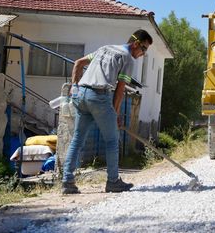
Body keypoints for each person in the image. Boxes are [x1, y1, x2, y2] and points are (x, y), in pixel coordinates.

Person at [61, 29, 152, 194]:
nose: (143, 54)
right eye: (144, 49)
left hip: (81, 95)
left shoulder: (104, 48)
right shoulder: (128, 59)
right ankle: (113, 182)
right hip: (99, 97)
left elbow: (78, 63)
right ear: (136, 44)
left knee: (77, 140)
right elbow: (120, 89)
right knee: (111, 140)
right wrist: (115, 114)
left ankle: (67, 182)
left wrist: (74, 87)